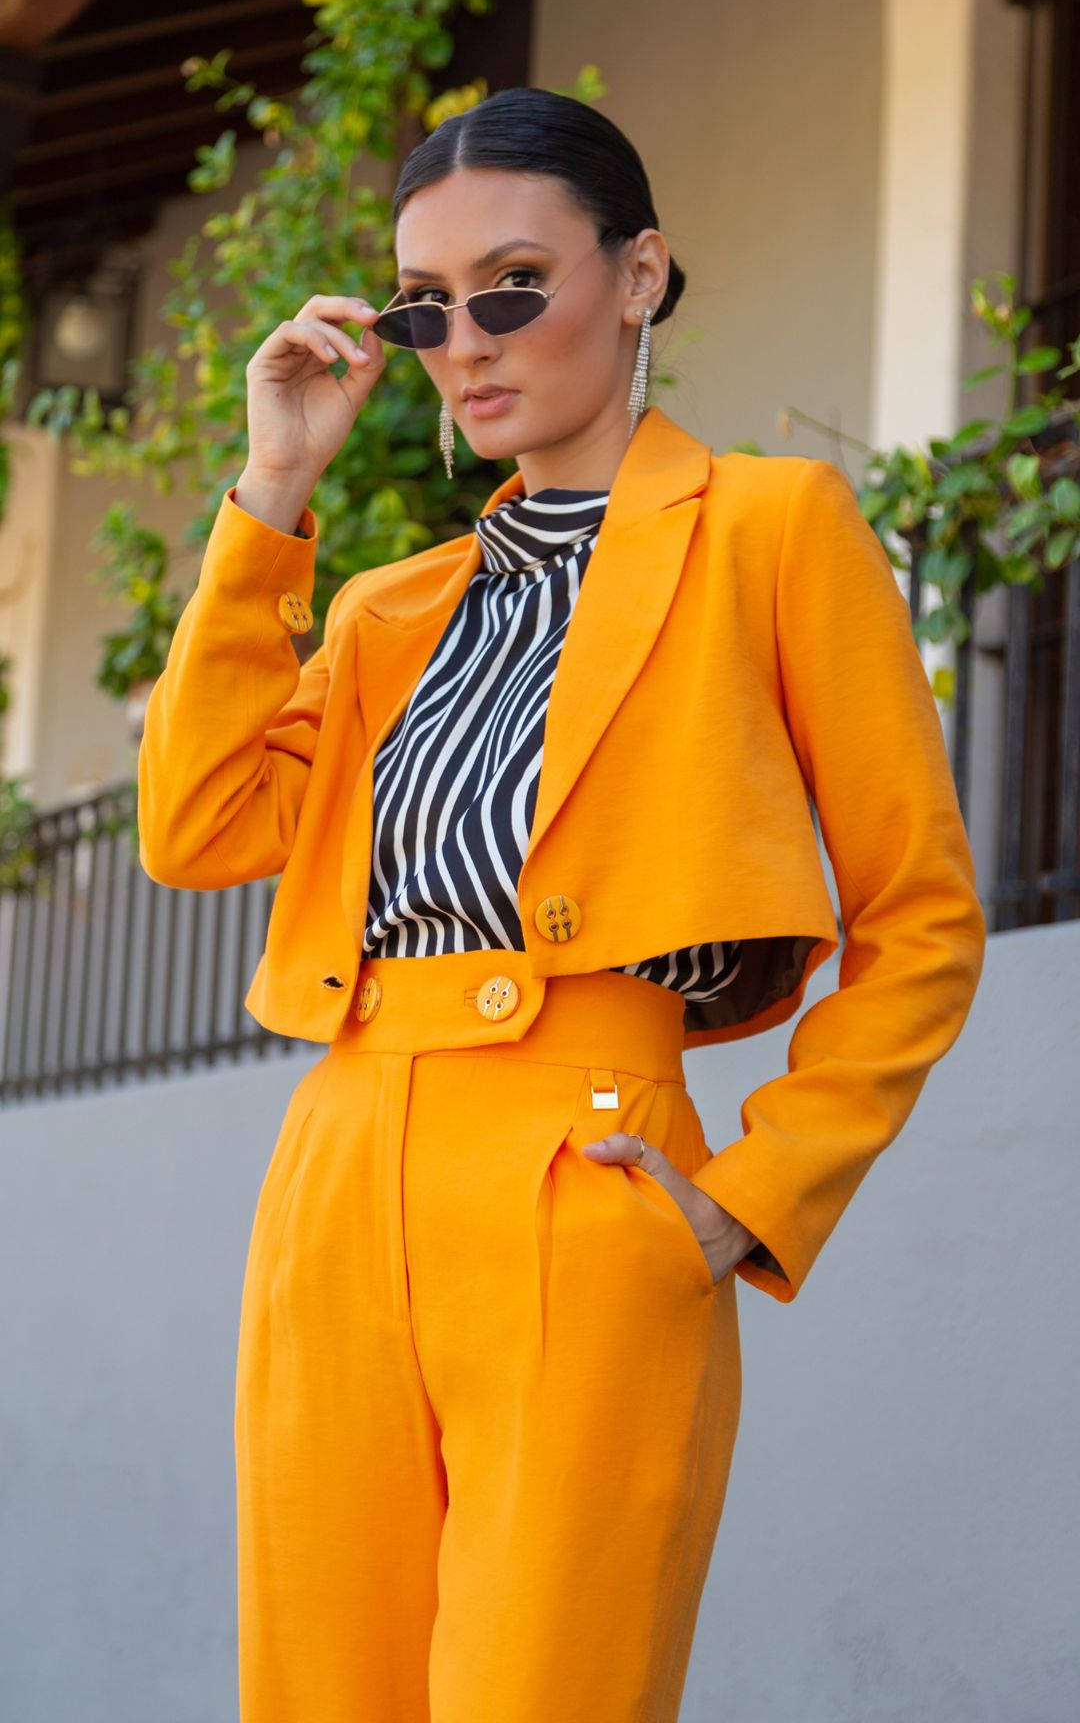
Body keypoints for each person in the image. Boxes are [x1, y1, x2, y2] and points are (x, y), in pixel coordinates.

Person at [137, 86, 987, 1722]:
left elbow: (922, 914)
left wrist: (751, 1193)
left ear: (641, 273)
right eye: (425, 307)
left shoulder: (770, 531)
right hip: (337, 1177)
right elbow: (195, 824)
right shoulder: (391, 609)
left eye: (514, 286)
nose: (467, 340)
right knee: (322, 1692)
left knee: (548, 1691)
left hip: (588, 1171)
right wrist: (271, 496)